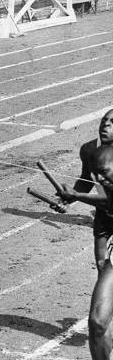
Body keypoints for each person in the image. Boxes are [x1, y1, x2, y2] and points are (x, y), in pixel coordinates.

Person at [55, 113, 113, 360]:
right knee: (97, 322)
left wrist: (75, 195)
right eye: (98, 176)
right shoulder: (92, 153)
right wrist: (75, 195)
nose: (100, 181)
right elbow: (105, 200)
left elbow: (104, 199)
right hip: (111, 232)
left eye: (105, 176)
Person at [57, 109, 113, 275]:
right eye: (104, 121)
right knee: (102, 266)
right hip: (104, 214)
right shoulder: (89, 150)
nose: (106, 125)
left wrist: (75, 196)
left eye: (112, 123)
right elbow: (85, 180)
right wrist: (67, 200)